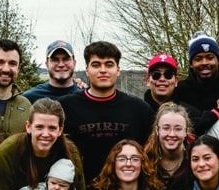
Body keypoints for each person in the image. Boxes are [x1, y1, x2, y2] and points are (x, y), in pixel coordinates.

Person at [59, 41, 153, 178]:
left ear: (118, 70)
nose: (103, 70)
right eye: (96, 65)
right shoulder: (65, 107)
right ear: (87, 70)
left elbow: (152, 152)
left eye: (109, 64)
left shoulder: (139, 109)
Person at [143, 102, 193, 186]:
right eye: (166, 128)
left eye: (178, 129)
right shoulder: (145, 158)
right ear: (157, 130)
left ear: (186, 131)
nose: (172, 134)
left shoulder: (195, 157)